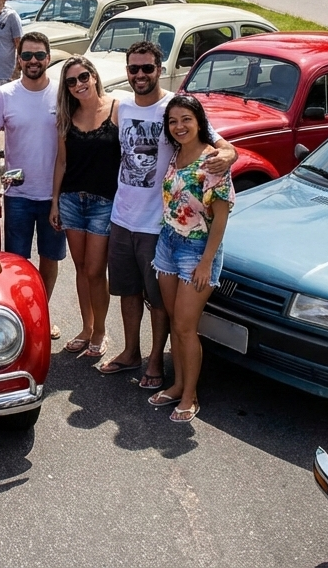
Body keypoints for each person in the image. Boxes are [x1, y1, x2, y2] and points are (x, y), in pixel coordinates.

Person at [96, 41, 235, 392]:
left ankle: (156, 363)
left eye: (147, 68)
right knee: (127, 292)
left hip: (159, 224)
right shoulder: (122, 106)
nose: (140, 75)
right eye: (133, 69)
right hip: (122, 217)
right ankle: (131, 352)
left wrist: (230, 155)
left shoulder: (174, 108)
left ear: (160, 68)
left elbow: (219, 143)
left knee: (158, 301)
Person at [151, 95, 234, 422]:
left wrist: (206, 262)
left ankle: (190, 396)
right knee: (176, 321)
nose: (179, 126)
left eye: (186, 119)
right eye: (173, 121)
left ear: (200, 121)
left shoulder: (213, 161)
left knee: (186, 327)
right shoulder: (176, 153)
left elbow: (222, 217)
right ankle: (178, 385)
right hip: (168, 243)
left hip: (197, 251)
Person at [0, 33, 67, 339]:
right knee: (17, 261)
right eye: (27, 56)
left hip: (52, 195)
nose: (33, 61)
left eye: (39, 55)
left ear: (48, 58)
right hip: (17, 193)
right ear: (19, 59)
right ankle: (18, 316)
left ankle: (41, 314)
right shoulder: (6, 94)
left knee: (49, 258)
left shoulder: (61, 94)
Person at [49, 57, 119, 357]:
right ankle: (87, 328)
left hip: (104, 202)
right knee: (80, 268)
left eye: (83, 77)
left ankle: (101, 330)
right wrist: (55, 202)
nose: (79, 84)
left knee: (95, 270)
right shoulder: (66, 116)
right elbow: (62, 162)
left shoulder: (117, 109)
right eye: (72, 81)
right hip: (71, 200)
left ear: (94, 76)